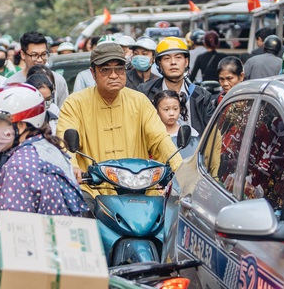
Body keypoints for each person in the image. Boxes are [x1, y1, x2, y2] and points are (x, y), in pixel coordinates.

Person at [0, 84, 86, 289]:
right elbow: (31, 218)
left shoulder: (19, 165)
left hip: (36, 270)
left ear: (19, 127)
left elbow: (12, 241)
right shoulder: (50, 150)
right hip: (61, 260)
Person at [57, 42, 182, 205]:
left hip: (140, 191)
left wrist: (180, 169)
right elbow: (65, 143)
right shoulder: (75, 103)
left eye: (119, 69)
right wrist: (72, 167)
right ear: (93, 73)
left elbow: (159, 139)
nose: (114, 75)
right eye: (105, 70)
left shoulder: (139, 101)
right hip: (93, 193)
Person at [137, 37, 214, 135]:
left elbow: (212, 135)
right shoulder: (144, 93)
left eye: (178, 57)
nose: (173, 62)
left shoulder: (202, 97)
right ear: (159, 64)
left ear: (186, 62)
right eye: (167, 58)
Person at [6, 32, 69, 107]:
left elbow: (64, 112)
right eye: (34, 55)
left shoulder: (58, 80)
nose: (40, 60)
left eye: (43, 54)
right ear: (23, 54)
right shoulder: (11, 84)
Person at [153, 90, 199, 158]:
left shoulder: (191, 133)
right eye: (166, 109)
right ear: (157, 110)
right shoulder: (153, 133)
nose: (172, 113)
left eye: (175, 109)